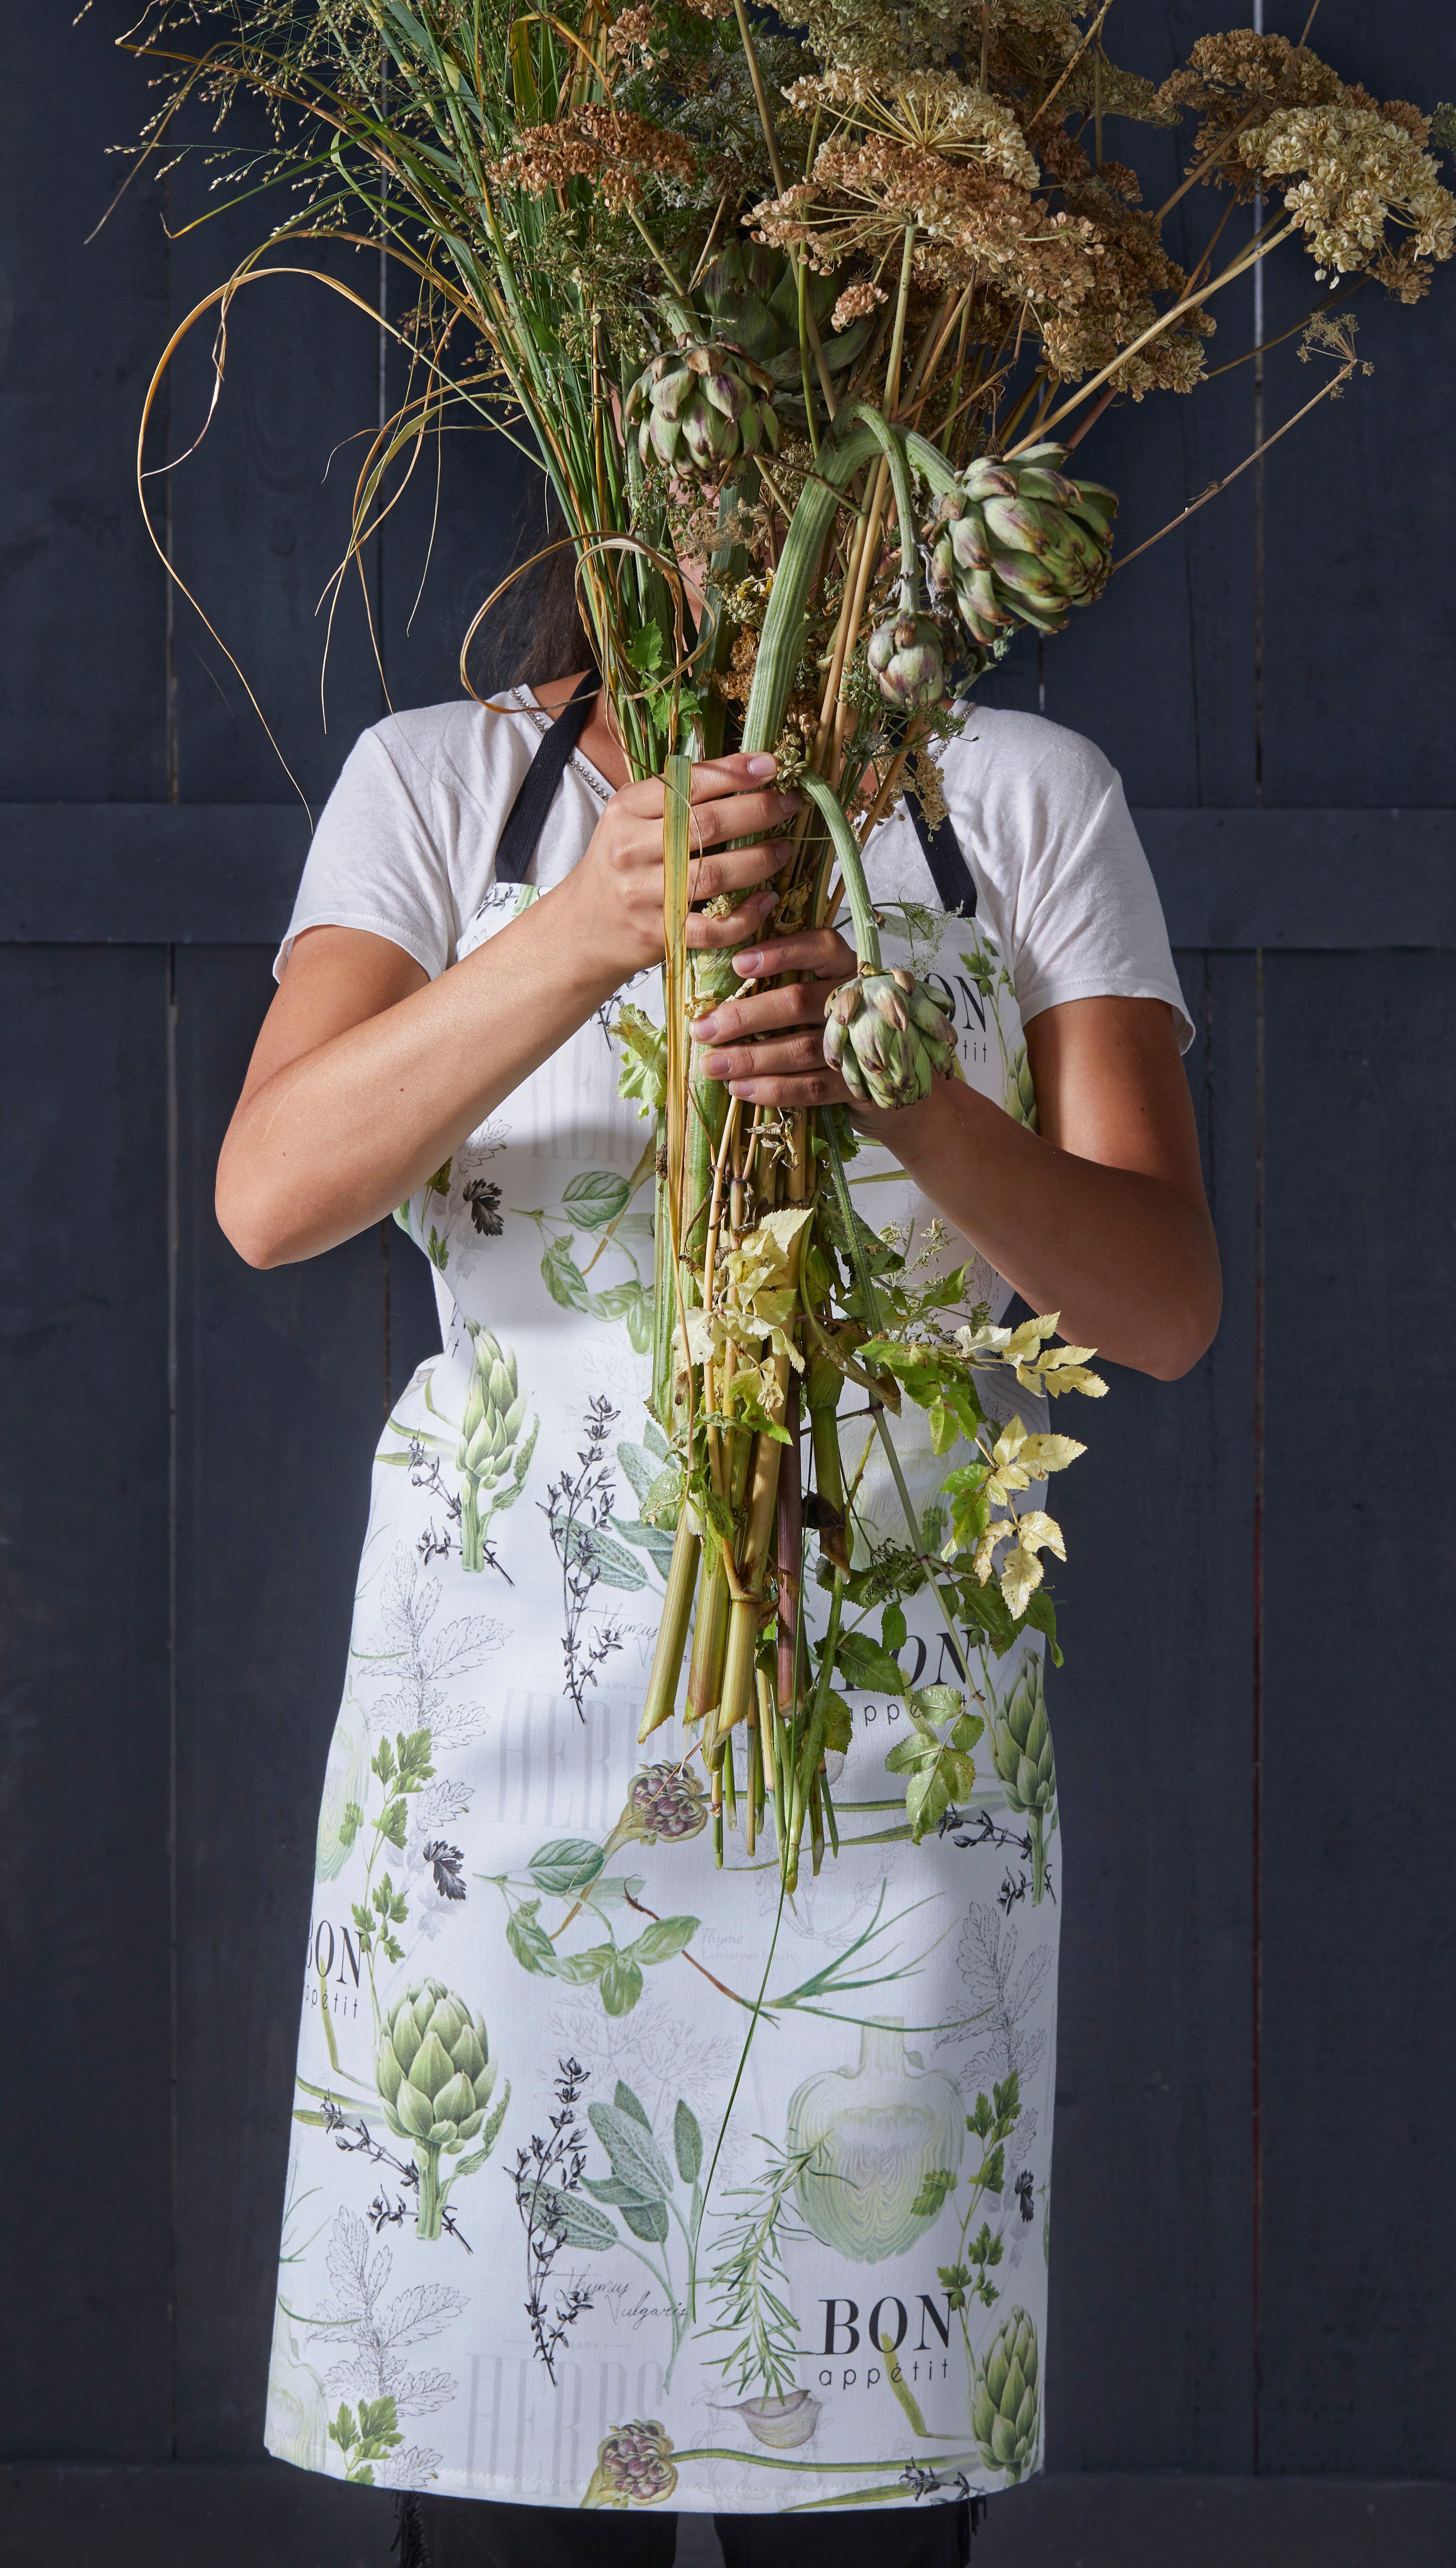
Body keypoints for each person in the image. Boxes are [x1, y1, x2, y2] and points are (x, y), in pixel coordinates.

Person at [217, 560, 1219, 2568]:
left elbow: (1165, 1299)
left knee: (865, 2505)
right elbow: (272, 1193)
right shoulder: (442, 787)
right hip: (502, 1785)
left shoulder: (1015, 794)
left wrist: (910, 1092)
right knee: (508, 2506)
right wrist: (589, 930)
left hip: (880, 1773)